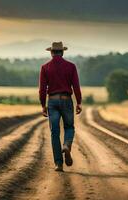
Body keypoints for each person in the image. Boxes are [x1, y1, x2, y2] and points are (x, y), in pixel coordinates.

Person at [39, 41, 82, 172]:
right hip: (66, 99)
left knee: (55, 132)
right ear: (62, 52)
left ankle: (58, 164)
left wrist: (43, 105)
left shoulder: (45, 67)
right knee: (69, 127)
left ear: (51, 53)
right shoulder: (71, 66)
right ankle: (67, 145)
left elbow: (42, 89)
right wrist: (79, 102)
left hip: (52, 101)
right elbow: (76, 86)